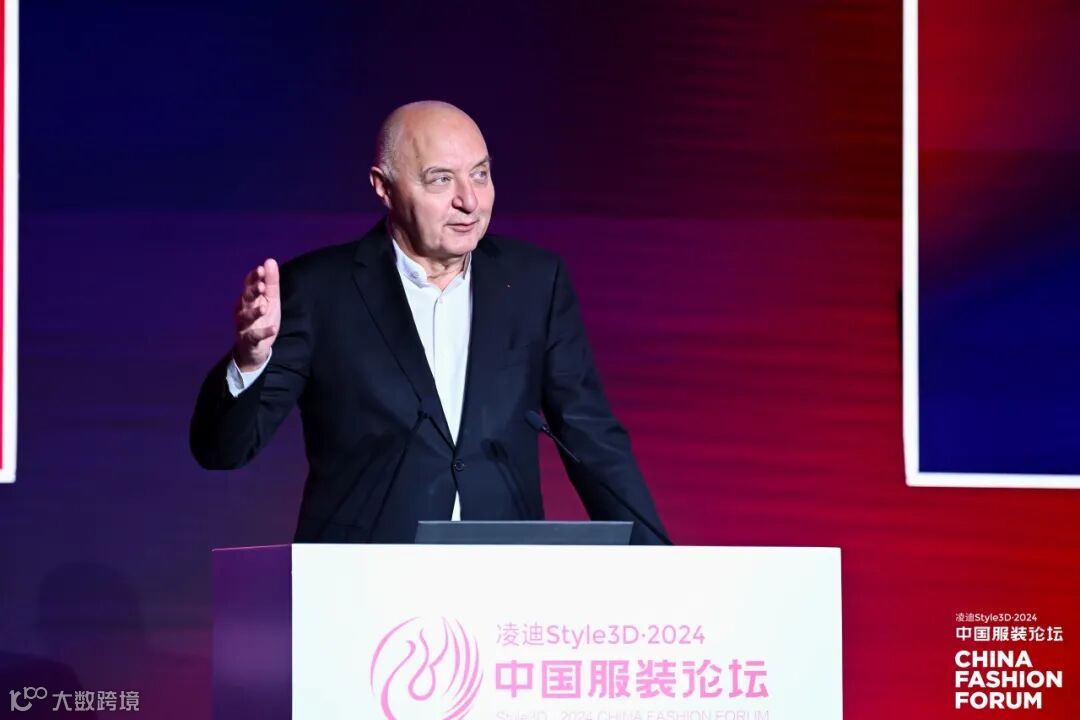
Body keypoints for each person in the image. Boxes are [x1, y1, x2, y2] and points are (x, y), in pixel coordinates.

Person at [190, 101, 666, 544]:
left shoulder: (535, 282)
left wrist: (660, 561)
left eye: (480, 174)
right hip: (360, 578)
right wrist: (249, 361)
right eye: (441, 180)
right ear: (383, 187)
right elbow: (221, 451)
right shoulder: (319, 290)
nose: (469, 201)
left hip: (501, 571)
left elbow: (589, 434)